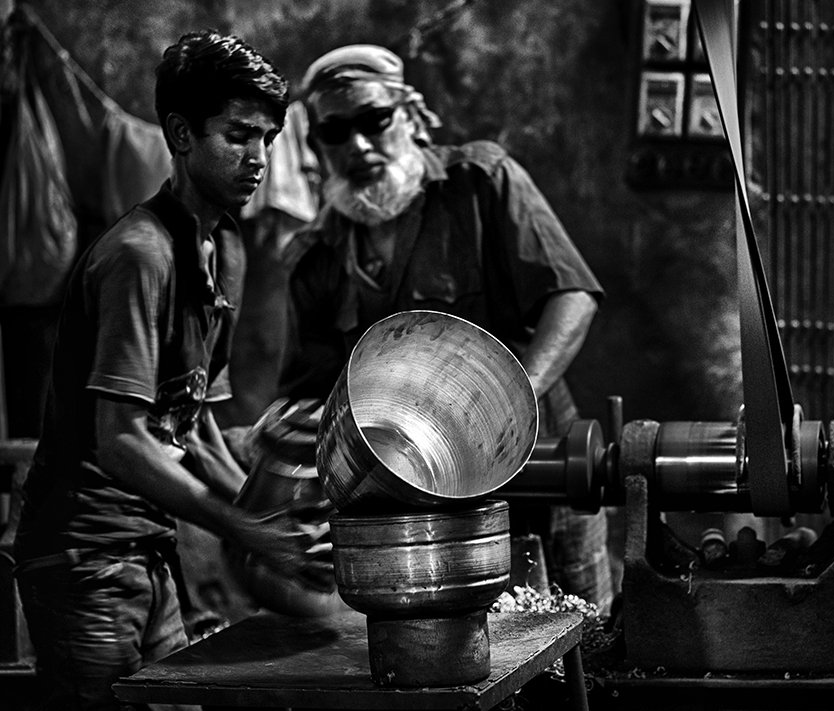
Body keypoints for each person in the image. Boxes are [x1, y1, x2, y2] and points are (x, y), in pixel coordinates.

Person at [13, 30, 334, 710]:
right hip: (84, 557)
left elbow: (196, 424)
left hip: (149, 548)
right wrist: (244, 528)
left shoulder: (223, 248)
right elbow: (123, 441)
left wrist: (272, 516)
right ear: (182, 134)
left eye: (268, 138)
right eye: (238, 136)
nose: (259, 158)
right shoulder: (140, 255)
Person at [280, 44, 613, 611]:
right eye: (335, 132)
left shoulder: (480, 182)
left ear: (410, 115)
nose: (358, 145)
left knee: (574, 635)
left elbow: (572, 296)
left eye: (374, 120)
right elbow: (310, 395)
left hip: (537, 473)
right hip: (421, 511)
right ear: (316, 146)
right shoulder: (314, 259)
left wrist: (505, 404)